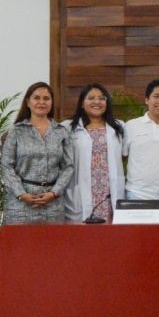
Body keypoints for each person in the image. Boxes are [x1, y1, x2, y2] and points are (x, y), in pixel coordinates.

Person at [0, 82, 73, 225]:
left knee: (52, 240)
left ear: (52, 102)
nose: (41, 102)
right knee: (20, 240)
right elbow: (6, 166)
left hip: (53, 205)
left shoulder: (61, 132)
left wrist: (54, 193)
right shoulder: (16, 131)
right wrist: (21, 194)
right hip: (20, 205)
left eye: (46, 98)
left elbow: (68, 167)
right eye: (37, 98)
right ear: (28, 102)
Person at [63, 83, 125, 223]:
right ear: (82, 103)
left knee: (109, 233)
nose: (97, 102)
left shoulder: (119, 127)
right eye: (91, 98)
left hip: (109, 193)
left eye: (102, 98)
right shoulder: (68, 127)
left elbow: (125, 154)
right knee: (82, 233)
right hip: (80, 192)